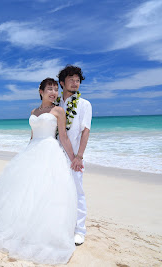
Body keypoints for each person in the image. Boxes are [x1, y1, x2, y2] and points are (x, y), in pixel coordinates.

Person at [0, 78, 78, 265]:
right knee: (22, 193)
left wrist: (76, 158)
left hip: (49, 152)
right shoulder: (34, 112)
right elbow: (32, 136)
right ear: (41, 91)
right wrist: (24, 155)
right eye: (49, 89)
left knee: (45, 193)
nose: (53, 93)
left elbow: (64, 138)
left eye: (55, 90)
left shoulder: (58, 111)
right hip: (33, 150)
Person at [57, 65, 92, 246]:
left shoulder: (84, 104)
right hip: (55, 155)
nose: (75, 83)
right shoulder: (56, 104)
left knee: (77, 191)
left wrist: (79, 156)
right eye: (71, 79)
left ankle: (79, 231)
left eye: (78, 80)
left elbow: (85, 131)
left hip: (74, 157)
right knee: (58, 191)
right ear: (62, 83)